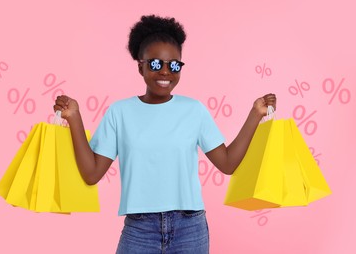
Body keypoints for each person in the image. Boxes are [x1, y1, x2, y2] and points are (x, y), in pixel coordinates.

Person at [54, 15, 276, 254]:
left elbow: (228, 163)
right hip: (140, 229)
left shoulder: (194, 110)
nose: (166, 72)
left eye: (174, 65)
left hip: (190, 228)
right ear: (141, 66)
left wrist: (256, 114)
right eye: (156, 64)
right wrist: (74, 119)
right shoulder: (120, 112)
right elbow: (91, 173)